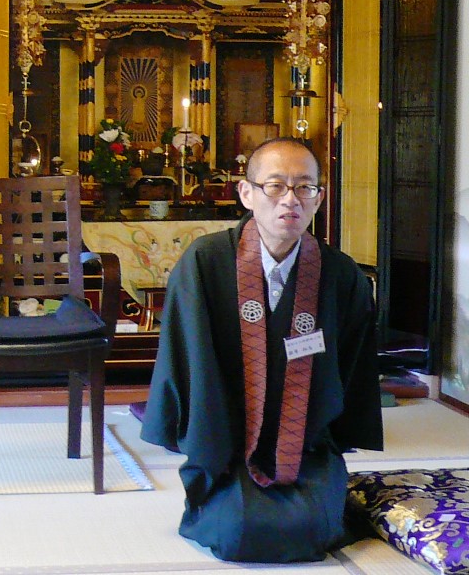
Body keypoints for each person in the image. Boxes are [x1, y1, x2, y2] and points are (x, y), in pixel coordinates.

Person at [140, 137, 382, 563]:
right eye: (275, 186)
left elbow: (352, 368)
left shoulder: (341, 273)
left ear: (319, 197)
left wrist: (329, 436)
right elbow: (187, 362)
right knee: (241, 530)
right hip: (225, 445)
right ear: (246, 193)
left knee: (313, 528)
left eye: (305, 187)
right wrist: (208, 441)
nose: (290, 199)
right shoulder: (205, 262)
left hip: (306, 444)